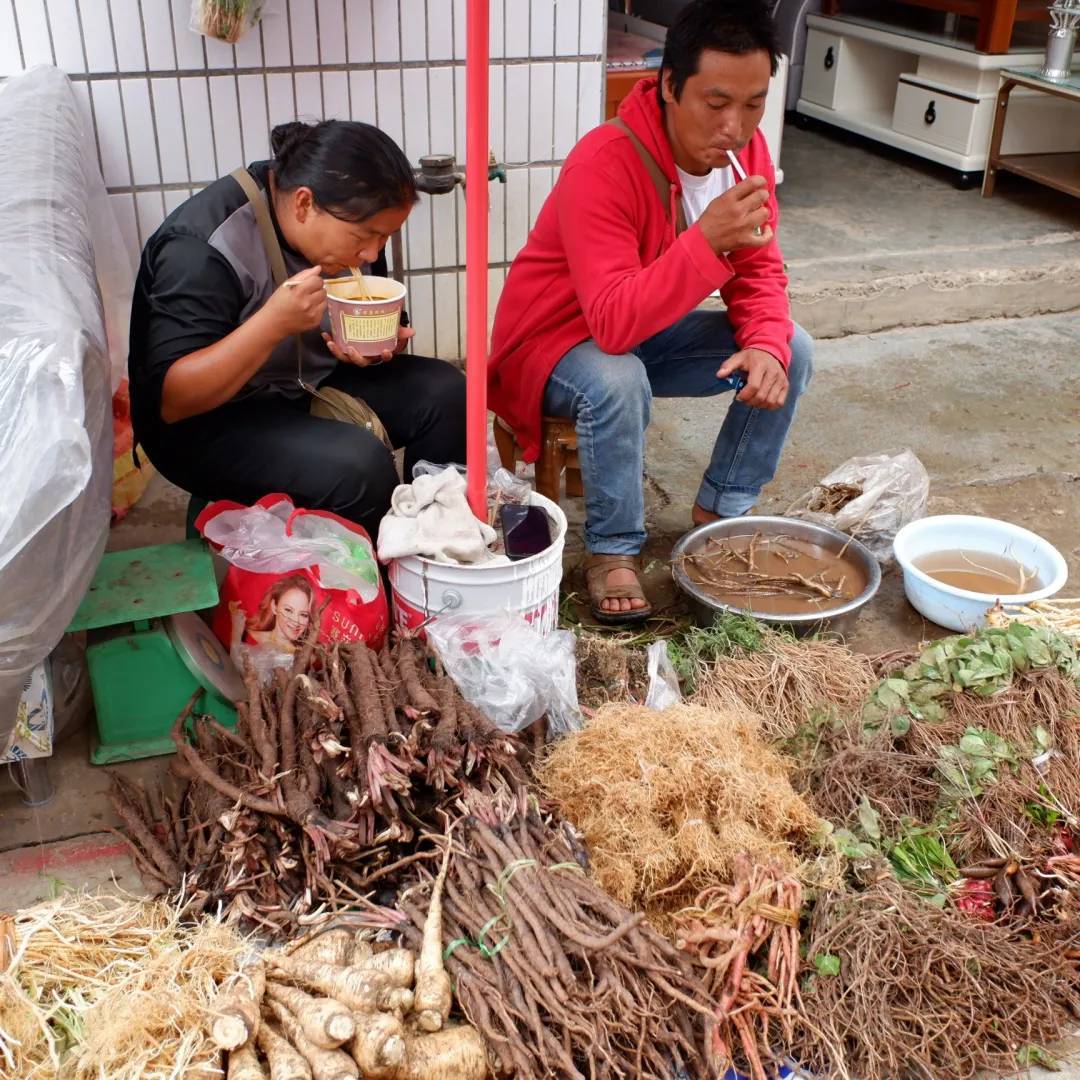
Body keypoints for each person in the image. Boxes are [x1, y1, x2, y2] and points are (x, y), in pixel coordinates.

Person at [489, 0, 813, 625]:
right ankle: (611, 549)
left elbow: (761, 271)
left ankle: (721, 511)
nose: (736, 127)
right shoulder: (604, 162)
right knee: (617, 375)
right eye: (716, 103)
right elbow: (611, 324)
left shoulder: (751, 160)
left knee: (792, 347)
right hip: (550, 345)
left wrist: (767, 345)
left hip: (642, 333)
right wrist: (707, 239)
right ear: (668, 85)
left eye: (754, 103)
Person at [129, 120, 466, 540]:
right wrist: (272, 324)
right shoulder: (202, 245)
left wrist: (376, 349)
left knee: (448, 392)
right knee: (358, 466)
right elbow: (174, 400)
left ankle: (444, 546)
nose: (371, 253)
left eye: (386, 237)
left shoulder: (351, 231)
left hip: (305, 384)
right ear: (304, 204)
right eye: (365, 236)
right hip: (206, 425)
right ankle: (382, 594)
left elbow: (373, 320)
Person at [230, 575, 314, 655]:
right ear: (274, 607)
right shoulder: (248, 636)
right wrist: (236, 632)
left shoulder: (308, 657)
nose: (296, 621)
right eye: (288, 610)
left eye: (303, 615)